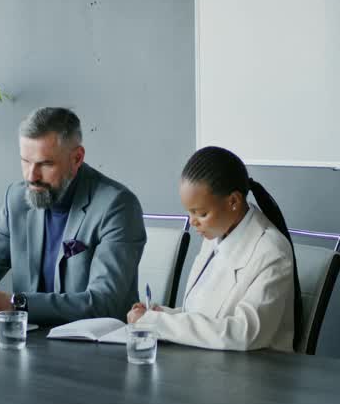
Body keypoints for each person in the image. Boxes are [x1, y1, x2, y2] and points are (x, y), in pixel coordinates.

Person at [0, 107, 147, 326]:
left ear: (77, 158)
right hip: (28, 342)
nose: (31, 176)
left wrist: (16, 303)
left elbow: (103, 302)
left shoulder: (117, 205)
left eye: (45, 164)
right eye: (25, 161)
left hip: (94, 349)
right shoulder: (16, 198)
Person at [127, 146, 302, 352]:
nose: (193, 222)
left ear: (233, 201)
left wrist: (158, 323)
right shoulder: (216, 233)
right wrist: (162, 314)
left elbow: (245, 333)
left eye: (200, 213)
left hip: (255, 373)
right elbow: (204, 316)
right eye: (189, 213)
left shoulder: (272, 251)